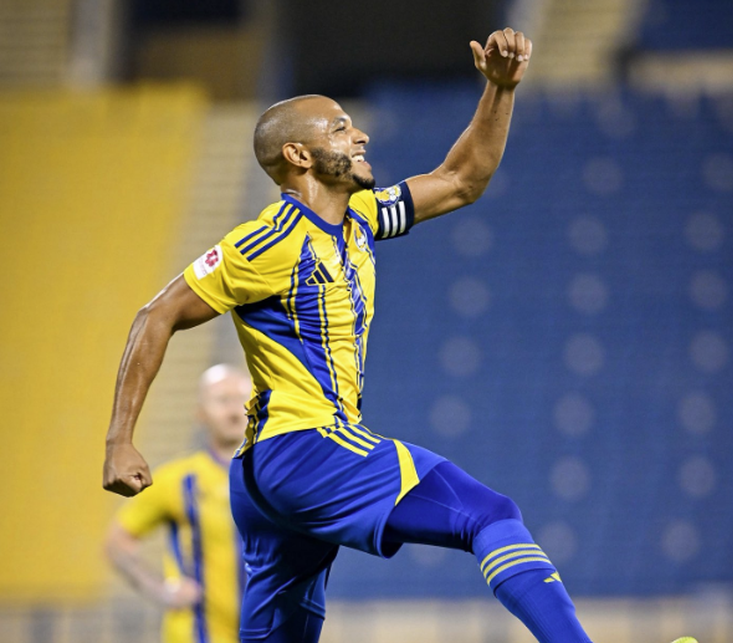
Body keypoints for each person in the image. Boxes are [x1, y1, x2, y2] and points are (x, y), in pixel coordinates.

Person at [103, 28, 594, 643]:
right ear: (299, 157)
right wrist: (120, 440)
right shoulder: (266, 241)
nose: (359, 135)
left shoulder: (359, 220)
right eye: (338, 128)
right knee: (489, 514)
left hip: (264, 478)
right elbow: (156, 314)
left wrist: (498, 89)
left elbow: (462, 179)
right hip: (305, 447)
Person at [105, 364, 252, 643]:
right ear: (200, 413)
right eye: (222, 400)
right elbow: (116, 543)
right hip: (195, 636)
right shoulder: (176, 480)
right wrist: (160, 590)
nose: (234, 410)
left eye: (242, 400)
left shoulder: (277, 478)